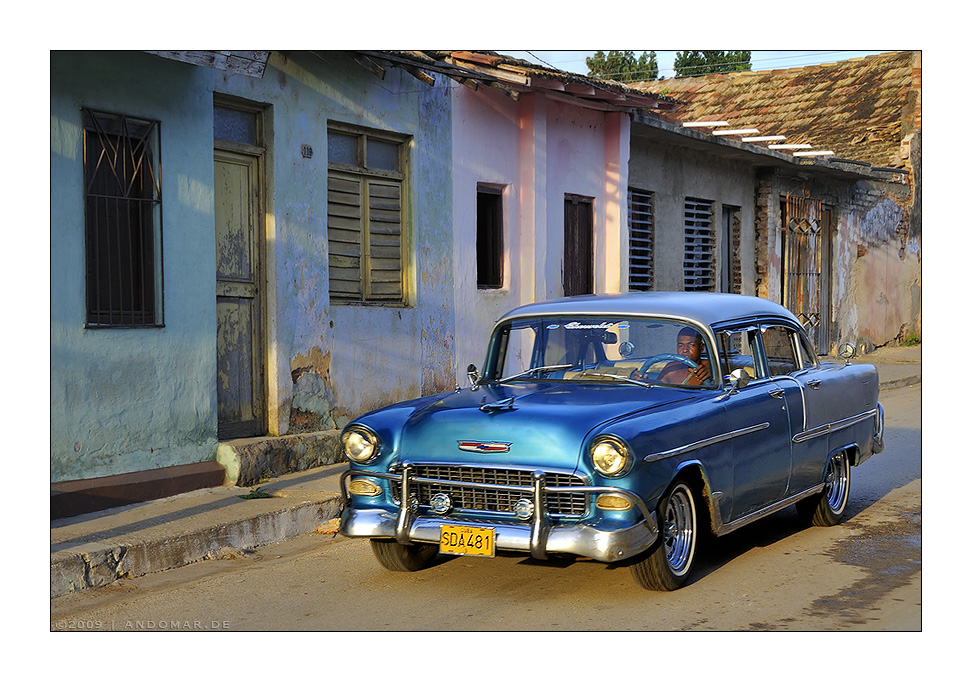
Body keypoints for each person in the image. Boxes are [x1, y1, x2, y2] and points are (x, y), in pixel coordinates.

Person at [632, 327, 712, 385]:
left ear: (701, 348)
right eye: (680, 346)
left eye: (691, 345)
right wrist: (641, 382)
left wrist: (714, 378)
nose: (685, 350)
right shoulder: (671, 368)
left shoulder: (712, 367)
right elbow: (660, 390)